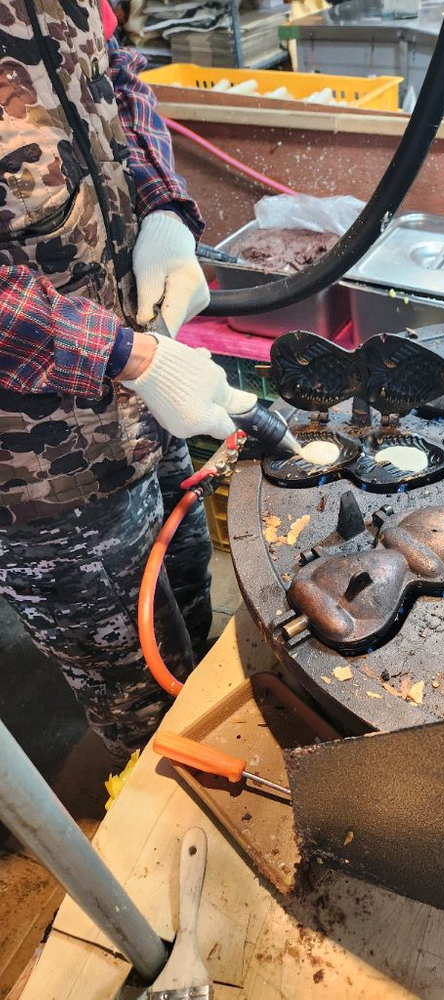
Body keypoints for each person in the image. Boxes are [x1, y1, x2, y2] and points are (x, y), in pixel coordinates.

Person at [0, 0, 257, 766]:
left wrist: (160, 207)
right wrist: (128, 356)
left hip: (137, 390)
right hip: (39, 469)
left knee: (187, 590)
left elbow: (112, 69)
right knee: (141, 696)